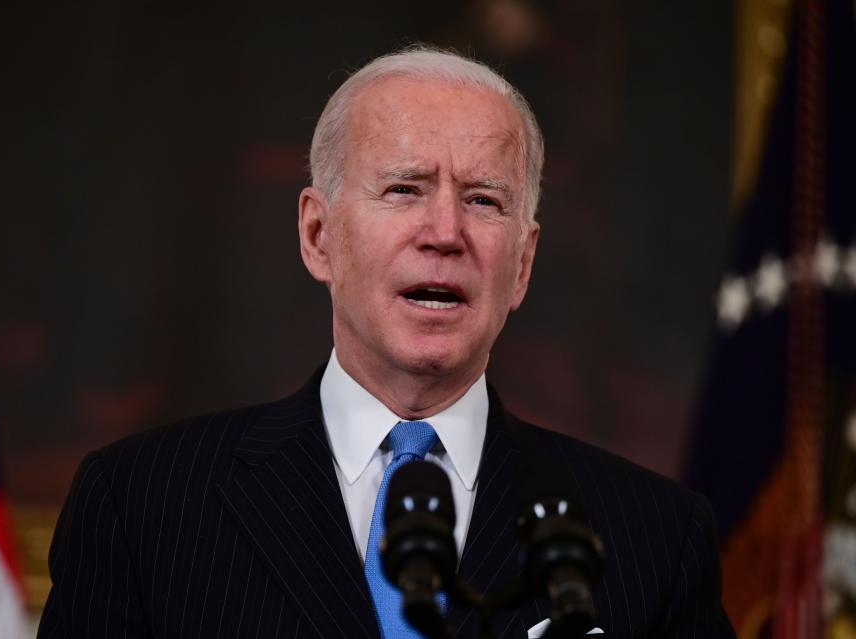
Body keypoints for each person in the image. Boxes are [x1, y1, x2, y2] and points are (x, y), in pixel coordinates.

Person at [39, 47, 735, 638]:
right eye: (404, 189)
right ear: (318, 236)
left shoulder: (655, 538)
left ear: (522, 264)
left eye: (483, 199)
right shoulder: (140, 506)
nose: (444, 231)